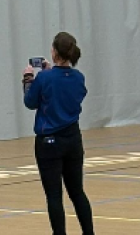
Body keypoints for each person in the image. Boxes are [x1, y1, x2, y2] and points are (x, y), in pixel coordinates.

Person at [23, 32, 94, 235]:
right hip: (73, 139)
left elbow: (30, 102)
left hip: (49, 142)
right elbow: (73, 93)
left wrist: (28, 79)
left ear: (54, 52)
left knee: (54, 195)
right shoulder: (78, 77)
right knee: (77, 192)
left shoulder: (44, 78)